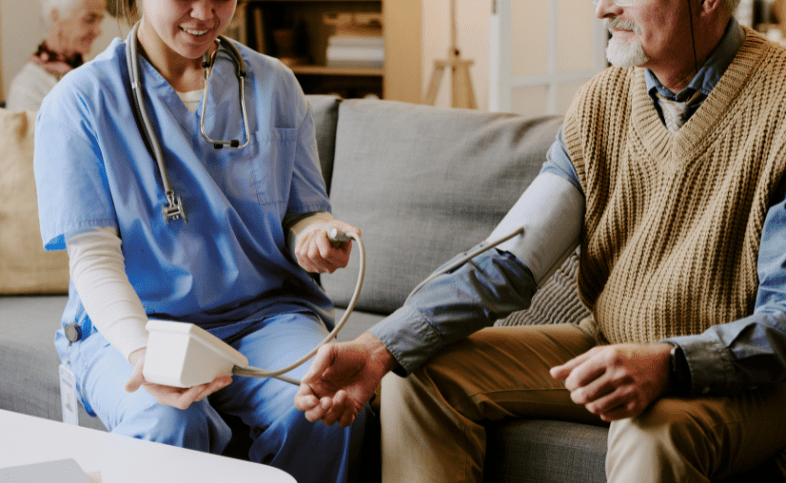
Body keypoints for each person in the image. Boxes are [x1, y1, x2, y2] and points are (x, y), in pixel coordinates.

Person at [294, 0, 786, 481]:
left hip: (743, 382)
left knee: (651, 431)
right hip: (608, 343)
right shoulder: (602, 102)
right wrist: (379, 346)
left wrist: (671, 362)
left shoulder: (779, 101)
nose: (601, 10)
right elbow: (508, 260)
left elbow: (781, 324)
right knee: (416, 370)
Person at [33, 0, 371, 481]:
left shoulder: (274, 84)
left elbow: (302, 213)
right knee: (167, 419)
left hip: (263, 316)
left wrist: (314, 236)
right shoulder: (80, 102)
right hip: (138, 325)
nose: (204, 12)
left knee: (321, 404)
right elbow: (94, 260)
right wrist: (142, 353)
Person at [6, 0, 106, 112]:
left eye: (100, 20)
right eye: (89, 19)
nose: (98, 31)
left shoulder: (91, 71)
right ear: (56, 17)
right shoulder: (27, 88)